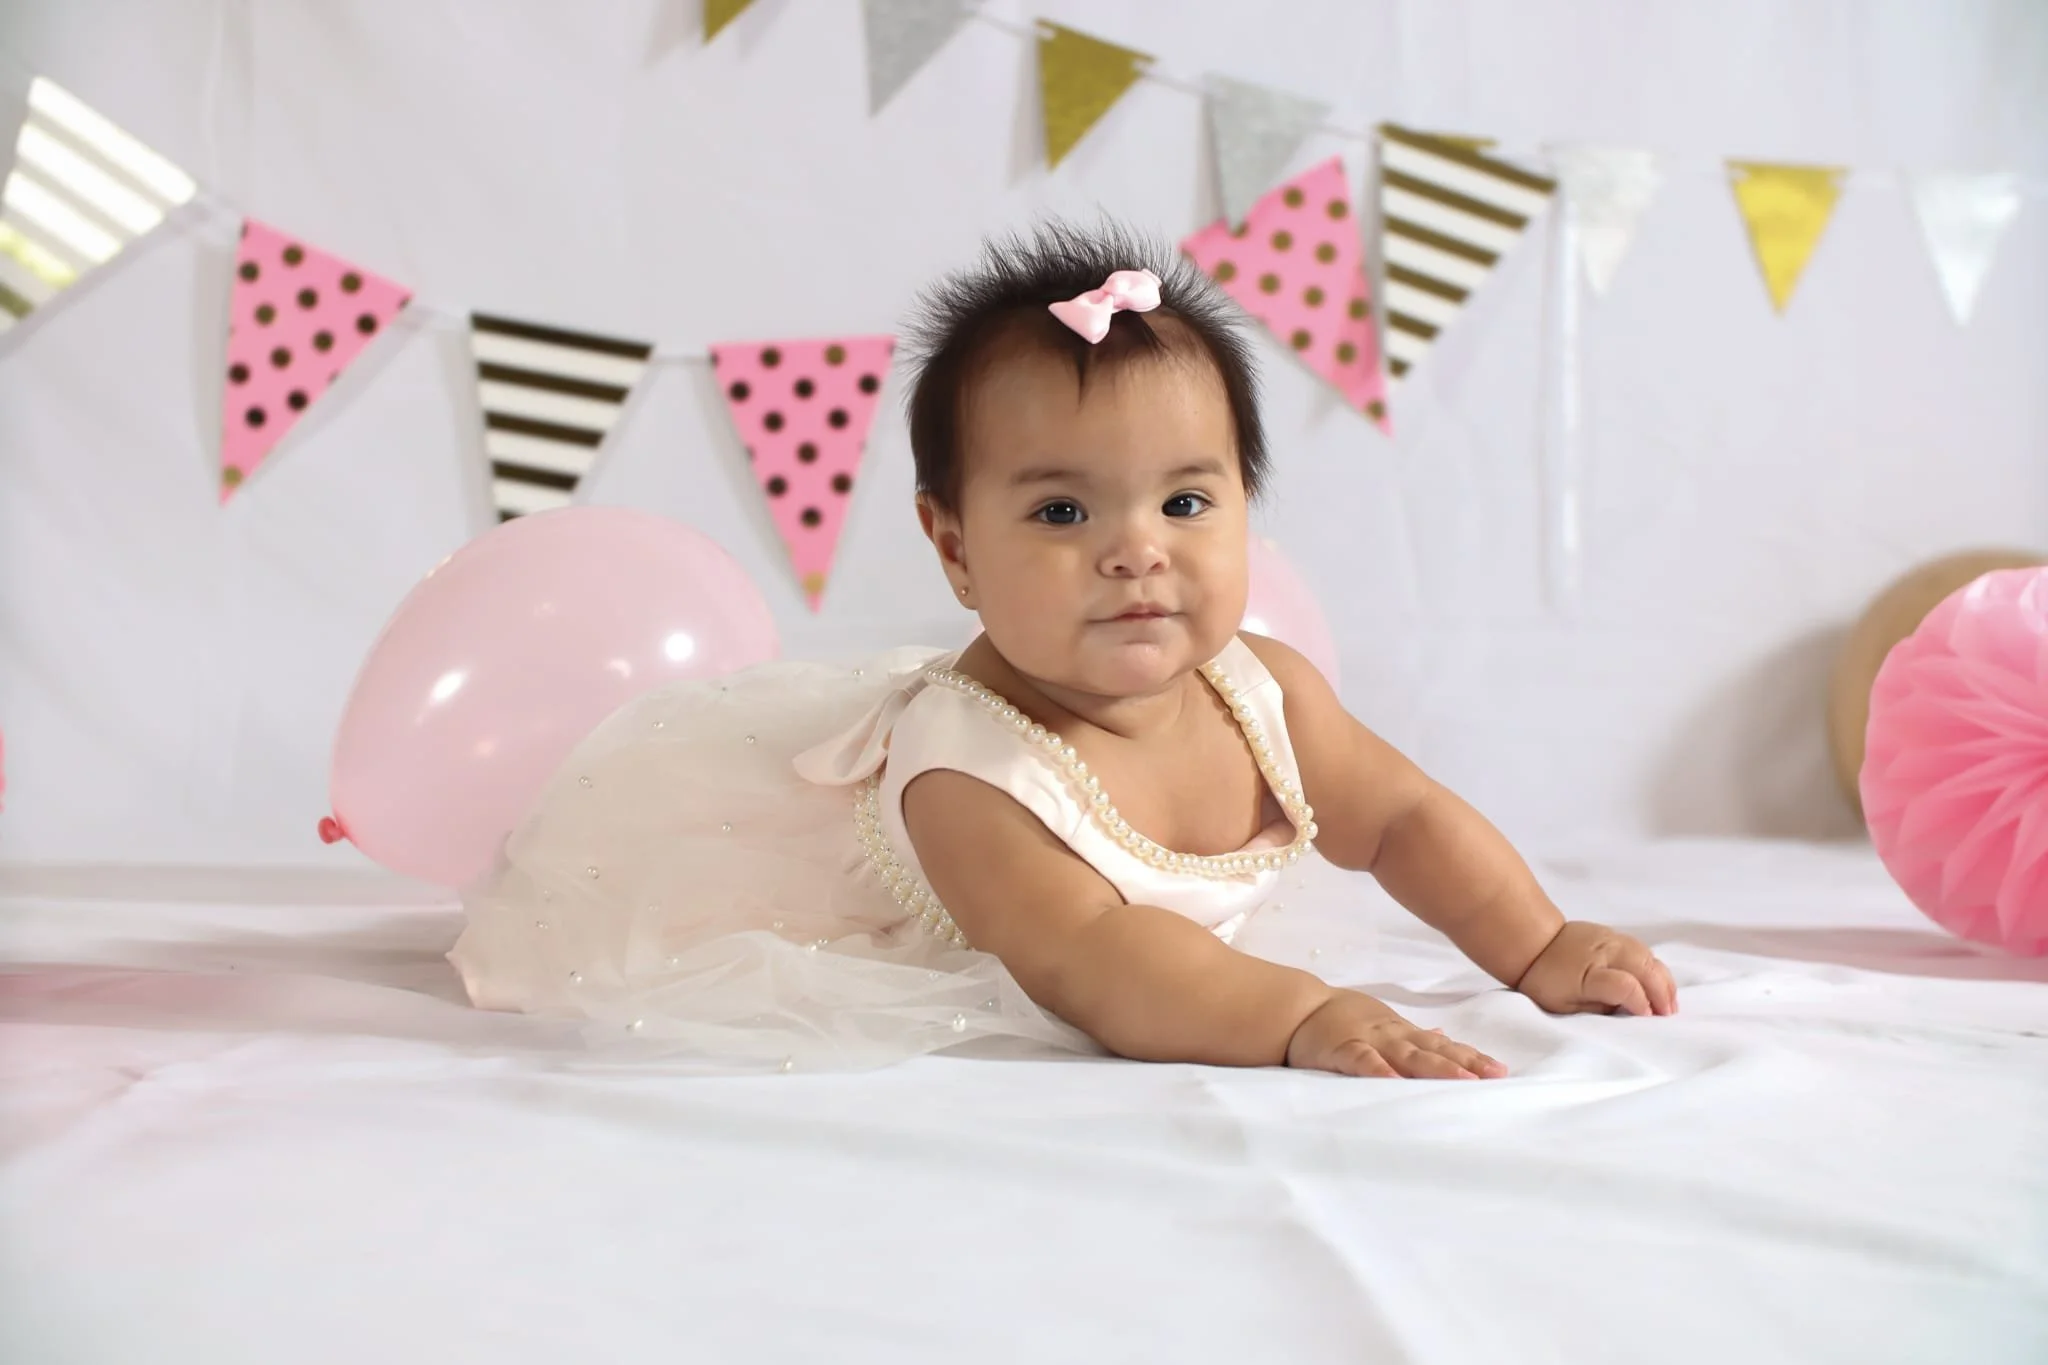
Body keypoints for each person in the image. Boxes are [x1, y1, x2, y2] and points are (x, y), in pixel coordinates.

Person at [448, 221, 1677, 1075]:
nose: (1134, 550)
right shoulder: (967, 778)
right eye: (1059, 512)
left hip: (1166, 959)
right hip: (860, 920)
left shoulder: (1261, 688)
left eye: (1185, 504)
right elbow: (1094, 957)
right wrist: (1301, 1019)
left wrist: (1537, 944)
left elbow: (1405, 818)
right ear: (954, 548)